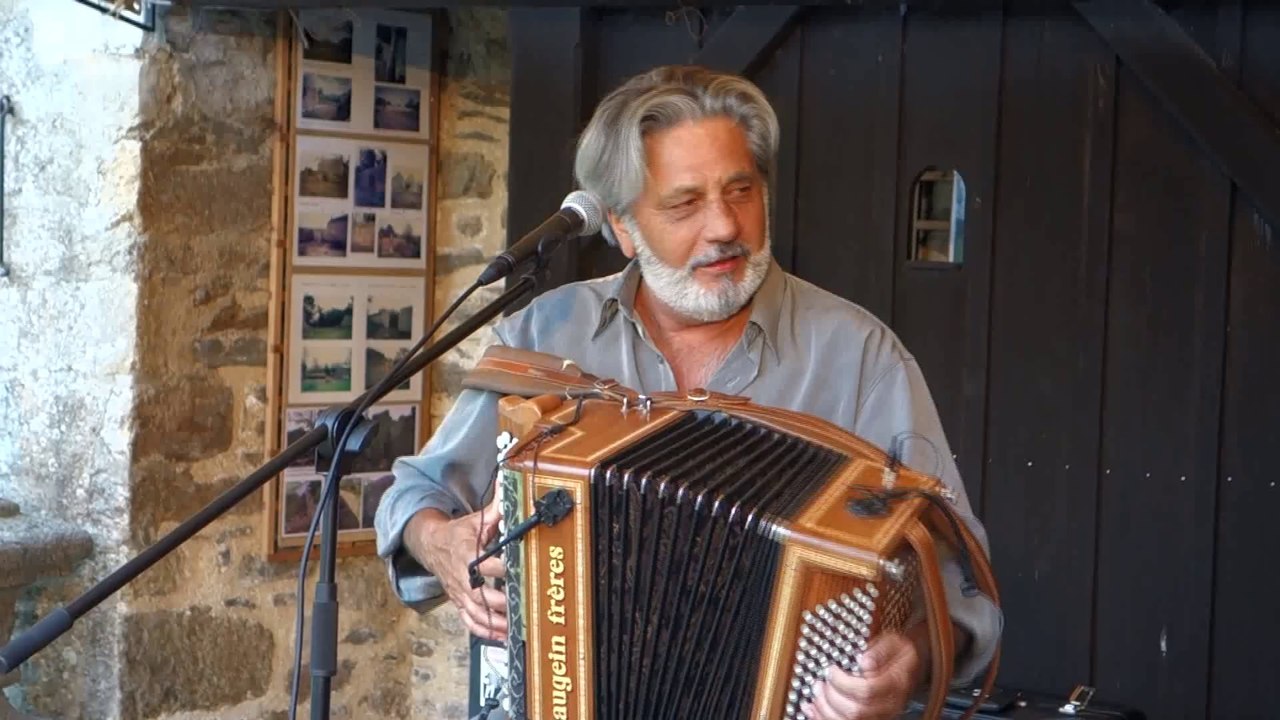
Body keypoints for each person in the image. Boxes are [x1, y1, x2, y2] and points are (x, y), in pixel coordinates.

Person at [375, 64, 1002, 720]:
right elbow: (416, 495)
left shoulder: (859, 359)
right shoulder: (546, 334)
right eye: (684, 204)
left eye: (742, 190)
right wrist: (441, 543)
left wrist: (911, 659)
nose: (725, 226)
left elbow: (963, 592)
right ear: (622, 226)